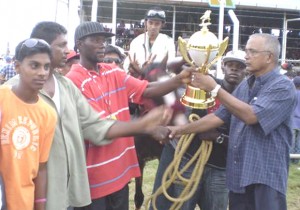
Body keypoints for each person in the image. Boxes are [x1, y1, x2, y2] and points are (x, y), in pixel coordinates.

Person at [6, 21, 172, 210]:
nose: (68, 50)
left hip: (67, 190)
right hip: (24, 193)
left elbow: (94, 126)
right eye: (61, 45)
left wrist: (143, 125)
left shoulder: (65, 87)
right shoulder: (10, 93)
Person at [66, 21, 192, 210]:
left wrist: (176, 81)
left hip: (121, 174)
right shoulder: (74, 81)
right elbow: (101, 127)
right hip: (94, 179)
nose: (102, 44)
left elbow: (146, 89)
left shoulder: (112, 71)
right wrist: (145, 125)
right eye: (96, 40)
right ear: (79, 44)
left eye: (104, 40)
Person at [167, 33, 296, 210]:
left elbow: (251, 116)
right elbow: (219, 116)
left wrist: (214, 88)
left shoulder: (282, 87)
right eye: (246, 51)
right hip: (239, 176)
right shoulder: (246, 85)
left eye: (252, 52)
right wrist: (180, 130)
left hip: (265, 177)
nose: (246, 56)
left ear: (269, 57)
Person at [150, 50, 247, 210]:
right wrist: (191, 57)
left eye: (239, 66)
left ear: (246, 70)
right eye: (230, 65)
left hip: (220, 168)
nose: (234, 69)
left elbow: (244, 140)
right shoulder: (207, 84)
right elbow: (170, 70)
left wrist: (218, 137)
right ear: (223, 67)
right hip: (189, 161)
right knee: (181, 205)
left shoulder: (246, 99)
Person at [1, 38, 57, 210]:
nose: (42, 72)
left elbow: (41, 168)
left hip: (22, 203)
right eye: (35, 66)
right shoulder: (2, 99)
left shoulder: (48, 114)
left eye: (46, 66)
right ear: (17, 66)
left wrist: (39, 206)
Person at [123, 7, 176, 75]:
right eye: (150, 23)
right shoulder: (136, 41)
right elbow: (127, 66)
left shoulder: (168, 42)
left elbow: (171, 66)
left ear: (162, 25)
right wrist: (137, 69)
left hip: (160, 82)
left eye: (157, 24)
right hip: (138, 81)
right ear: (145, 23)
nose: (153, 27)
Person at [291, 76, 300, 164]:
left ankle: (289, 159)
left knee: (291, 142)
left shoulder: (292, 93)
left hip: (293, 121)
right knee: (298, 143)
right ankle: (296, 160)